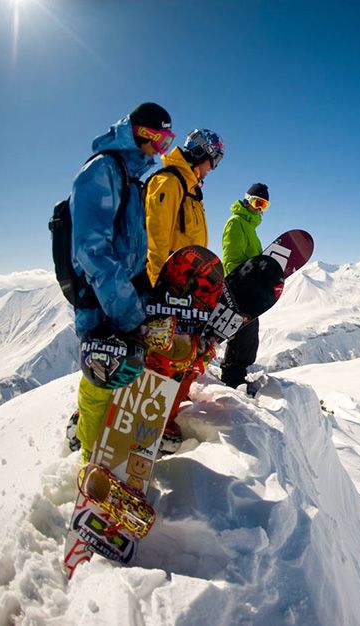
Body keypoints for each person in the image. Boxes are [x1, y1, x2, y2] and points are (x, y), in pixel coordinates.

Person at [69, 102, 174, 462]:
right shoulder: (102, 172)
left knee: (121, 379)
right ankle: (89, 460)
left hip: (123, 296)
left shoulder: (131, 177)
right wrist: (130, 310)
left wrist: (146, 294)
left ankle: (113, 451)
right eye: (161, 141)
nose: (162, 151)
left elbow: (132, 248)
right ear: (143, 134)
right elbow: (92, 251)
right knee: (101, 378)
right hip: (101, 301)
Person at [143, 129, 225, 452]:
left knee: (196, 355)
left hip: (188, 295)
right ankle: (147, 423)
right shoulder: (169, 183)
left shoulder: (192, 191)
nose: (212, 169)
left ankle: (166, 417)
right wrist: (157, 294)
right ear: (202, 154)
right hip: (166, 292)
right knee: (164, 360)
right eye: (213, 161)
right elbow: (156, 243)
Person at [220, 182, 269, 389]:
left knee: (250, 331)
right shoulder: (236, 222)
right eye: (258, 202)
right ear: (247, 199)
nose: (259, 209)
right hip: (238, 287)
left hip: (249, 287)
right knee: (240, 331)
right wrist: (241, 280)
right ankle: (232, 377)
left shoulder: (249, 226)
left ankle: (239, 375)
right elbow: (231, 259)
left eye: (264, 206)